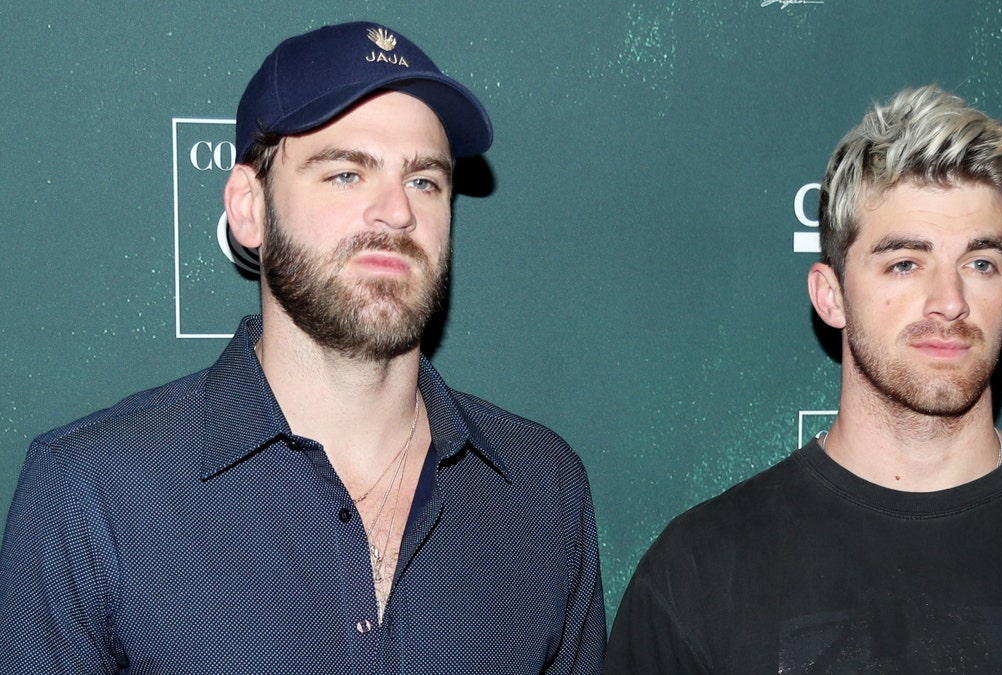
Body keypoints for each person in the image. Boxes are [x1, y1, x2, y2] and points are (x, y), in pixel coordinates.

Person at [0, 22, 605, 673]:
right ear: (248, 208)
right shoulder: (93, 494)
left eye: (424, 181)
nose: (396, 212)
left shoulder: (545, 490)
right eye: (346, 174)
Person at [603, 85, 1002, 673]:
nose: (950, 301)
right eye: (905, 263)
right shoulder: (701, 572)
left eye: (980, 263)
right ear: (830, 297)